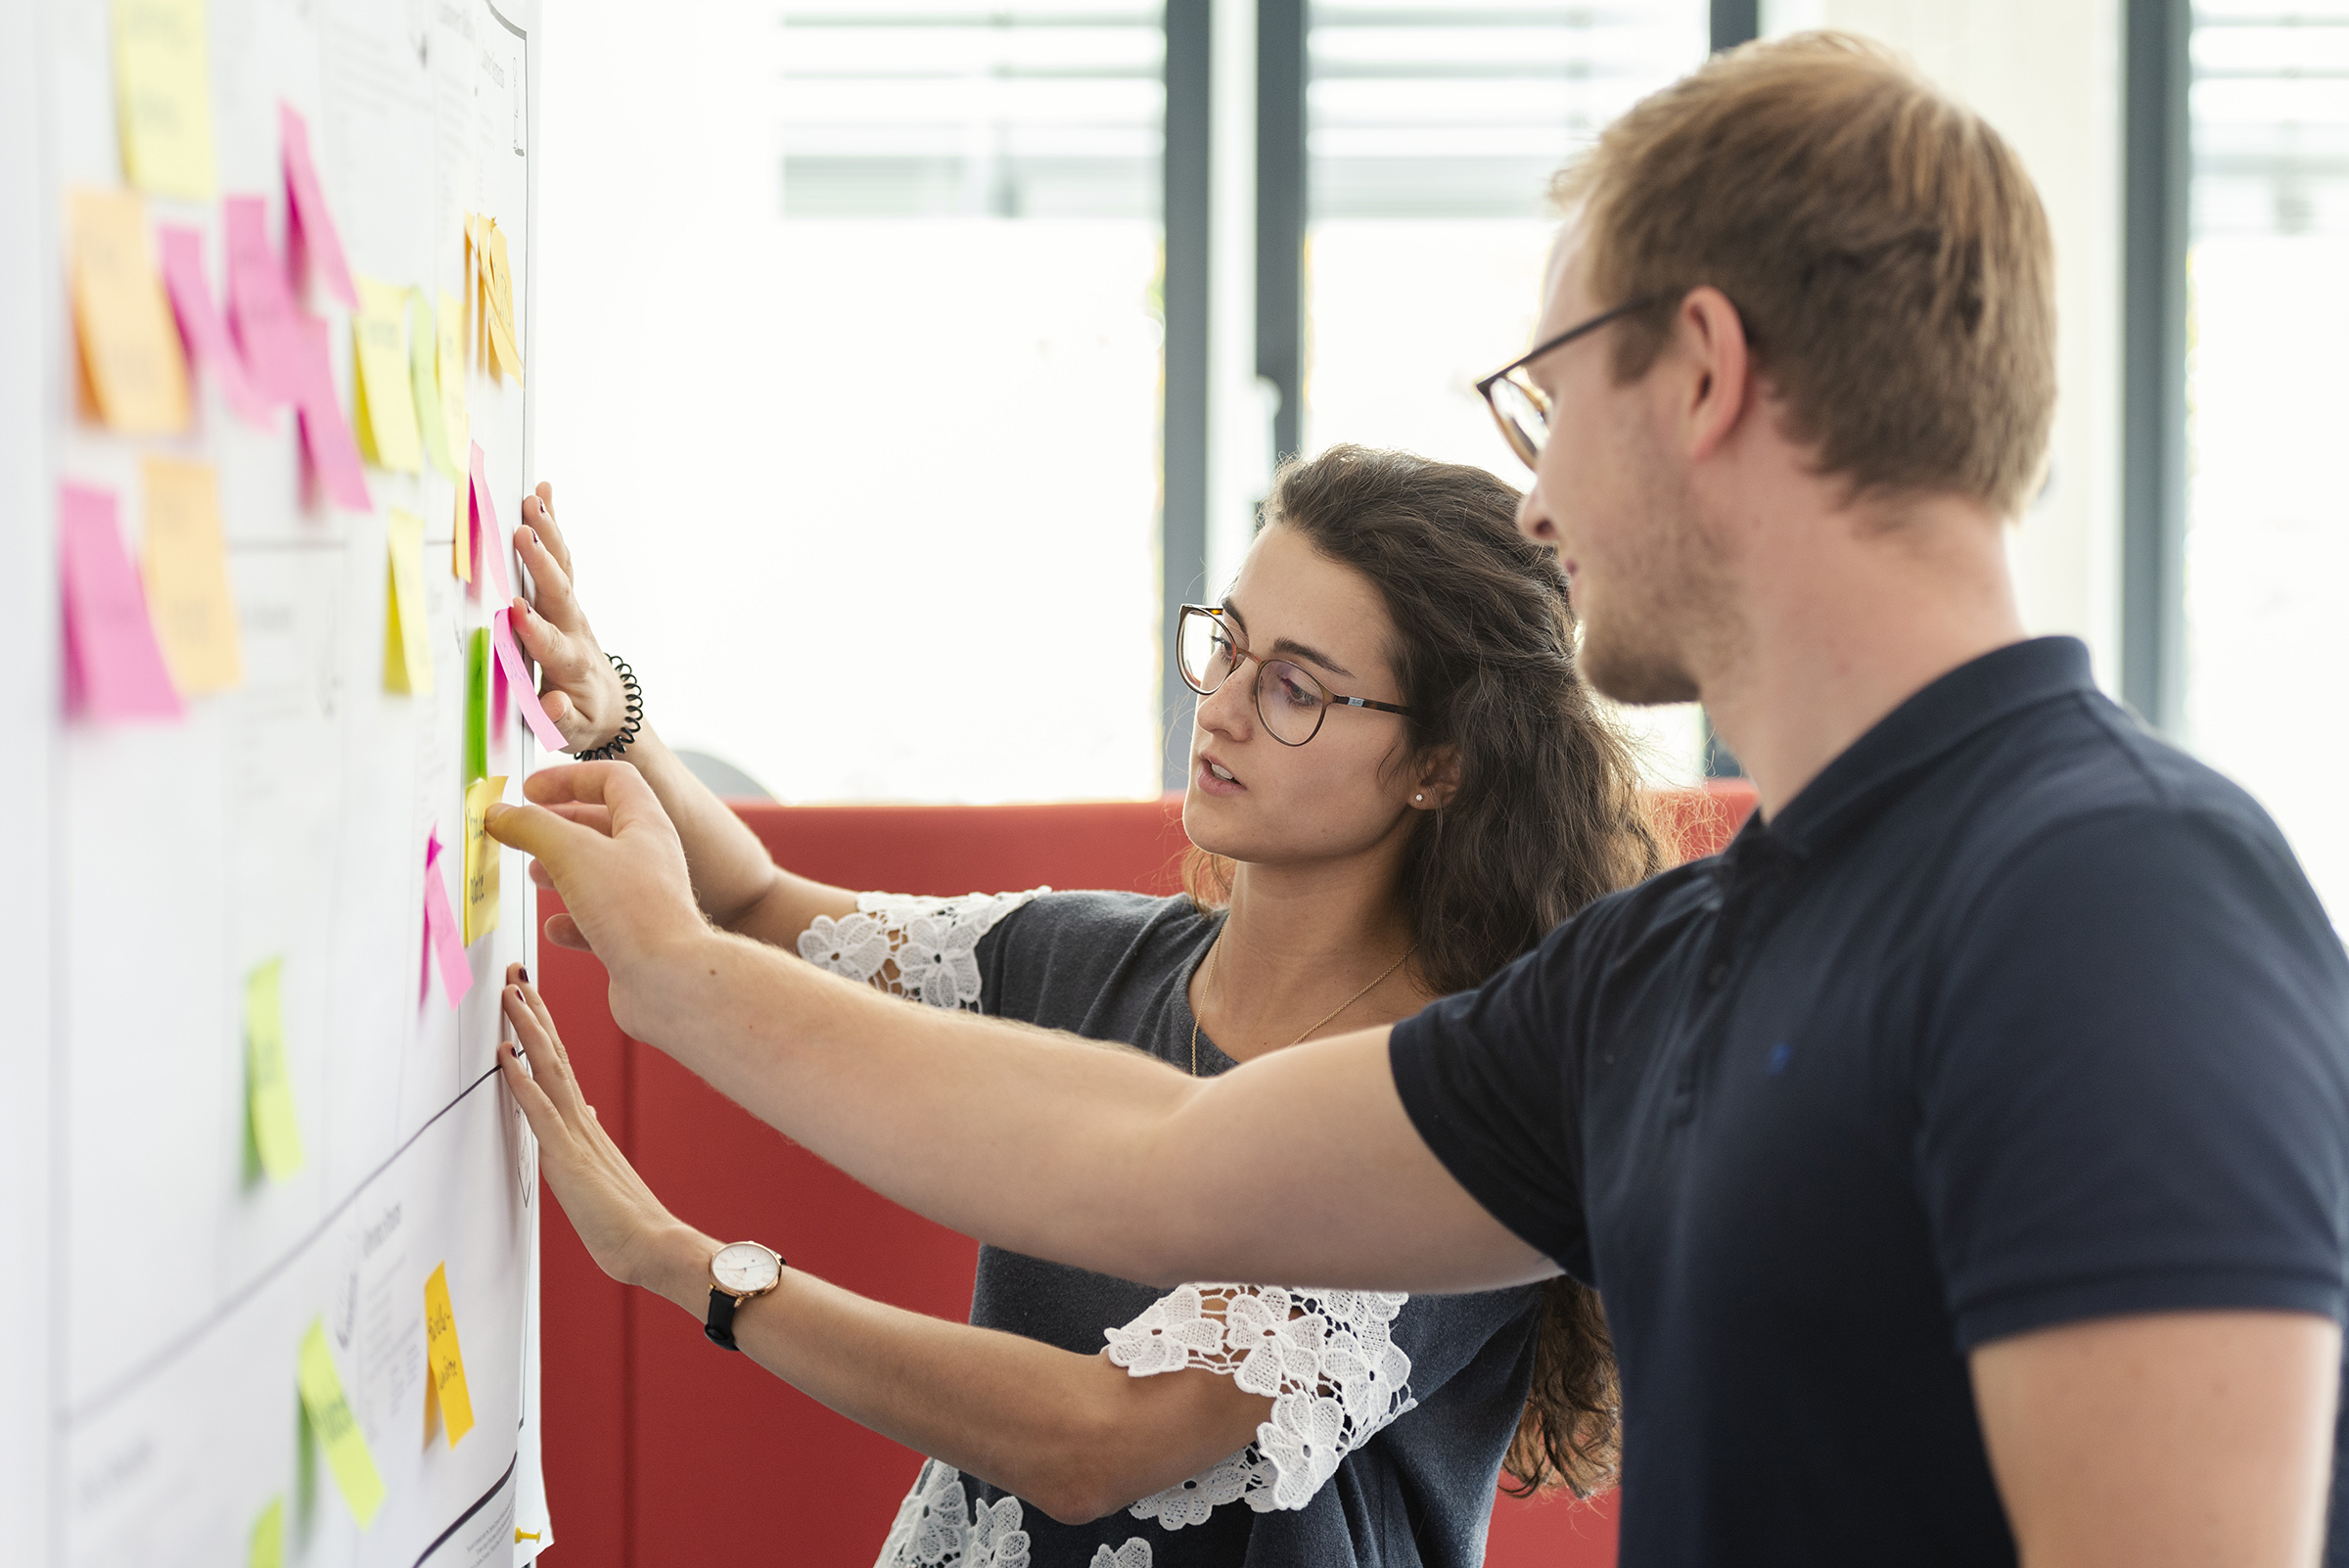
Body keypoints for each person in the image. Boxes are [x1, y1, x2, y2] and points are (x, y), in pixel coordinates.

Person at [492, 34, 2349, 1567]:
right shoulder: (1666, 968)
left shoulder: (2115, 893)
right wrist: (676, 973)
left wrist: (685, 1152)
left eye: (1549, 402)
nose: (1535, 508)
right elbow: (1147, 1159)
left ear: (1700, 371)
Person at [493, 444, 1667, 1565]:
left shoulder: (1446, 1106)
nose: (1223, 708)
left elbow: (1097, 1442)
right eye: (1230, 646)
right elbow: (755, 903)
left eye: (1298, 687)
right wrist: (611, 714)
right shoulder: (1084, 958)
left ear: (1441, 765)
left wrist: (676, 1259)